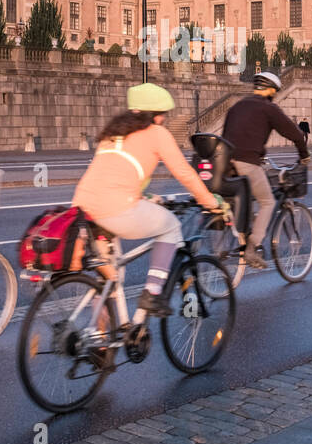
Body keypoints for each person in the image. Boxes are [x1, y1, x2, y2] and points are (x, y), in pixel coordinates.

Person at [72, 83, 224, 319]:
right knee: (171, 226)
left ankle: (100, 343)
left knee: (110, 279)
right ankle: (152, 293)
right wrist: (209, 201)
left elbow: (114, 175)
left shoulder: (113, 134)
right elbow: (183, 172)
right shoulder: (157, 133)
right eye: (163, 114)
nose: (164, 119)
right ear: (156, 114)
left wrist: (145, 198)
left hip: (84, 209)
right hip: (115, 208)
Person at [221, 71, 311, 269]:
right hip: (247, 162)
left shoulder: (237, 106)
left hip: (224, 164)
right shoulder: (268, 108)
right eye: (275, 92)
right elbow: (296, 134)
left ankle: (241, 239)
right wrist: (304, 155)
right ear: (271, 90)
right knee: (267, 202)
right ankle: (252, 246)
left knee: (242, 202)